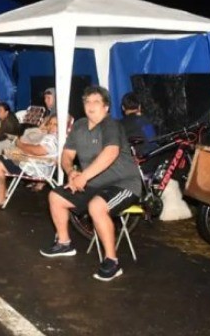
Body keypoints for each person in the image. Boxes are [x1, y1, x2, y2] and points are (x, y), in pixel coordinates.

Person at [39, 85, 142, 282]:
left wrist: (83, 177)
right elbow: (66, 156)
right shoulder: (79, 126)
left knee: (96, 206)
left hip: (123, 184)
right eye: (87, 102)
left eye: (96, 102)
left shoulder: (111, 125)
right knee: (56, 197)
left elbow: (110, 153)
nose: (90, 105)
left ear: (106, 108)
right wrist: (71, 171)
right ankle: (64, 243)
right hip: (93, 184)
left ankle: (112, 261)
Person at [0, 115, 60, 209]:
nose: (51, 126)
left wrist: (20, 145)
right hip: (36, 164)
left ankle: (1, 198)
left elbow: (37, 151)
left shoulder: (52, 139)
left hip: (34, 167)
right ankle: (2, 192)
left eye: (55, 124)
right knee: (3, 155)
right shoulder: (53, 137)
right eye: (50, 124)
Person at [119, 92, 159, 173]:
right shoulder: (144, 121)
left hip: (127, 169)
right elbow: (153, 142)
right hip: (149, 165)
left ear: (123, 108)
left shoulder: (118, 125)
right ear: (139, 106)